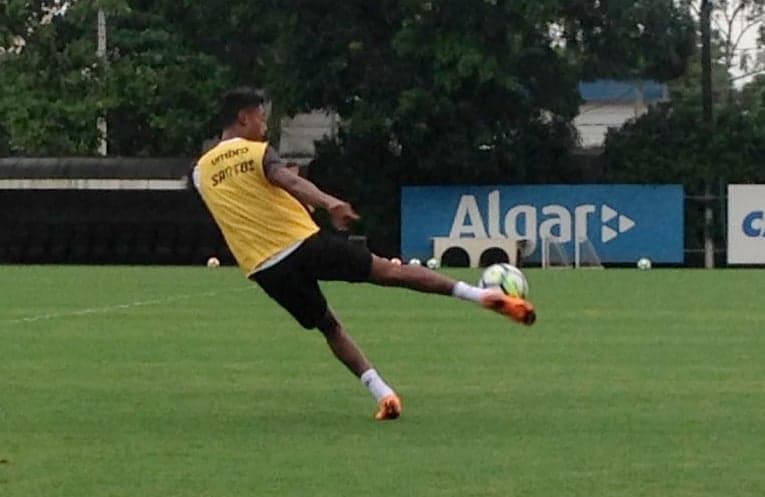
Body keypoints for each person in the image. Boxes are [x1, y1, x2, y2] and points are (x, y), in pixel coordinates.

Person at [192, 87, 536, 421]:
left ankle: (383, 394)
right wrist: (331, 203)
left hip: (266, 269)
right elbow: (291, 182)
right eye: (261, 118)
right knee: (389, 272)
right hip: (303, 243)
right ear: (243, 118)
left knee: (329, 326)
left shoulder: (200, 172)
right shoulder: (256, 152)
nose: (264, 126)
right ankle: (480, 295)